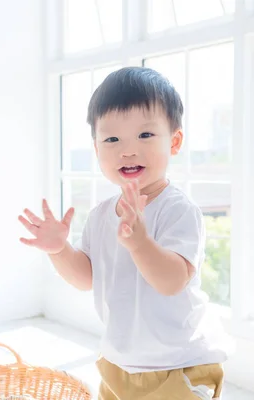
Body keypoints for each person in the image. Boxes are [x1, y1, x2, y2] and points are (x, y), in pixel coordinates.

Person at [18, 67, 233, 399]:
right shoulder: (102, 214)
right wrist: (59, 250)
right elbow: (85, 278)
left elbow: (172, 281)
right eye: (112, 139)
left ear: (174, 141)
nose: (128, 150)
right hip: (120, 362)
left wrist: (140, 242)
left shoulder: (178, 209)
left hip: (179, 363)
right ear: (96, 148)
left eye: (145, 135)